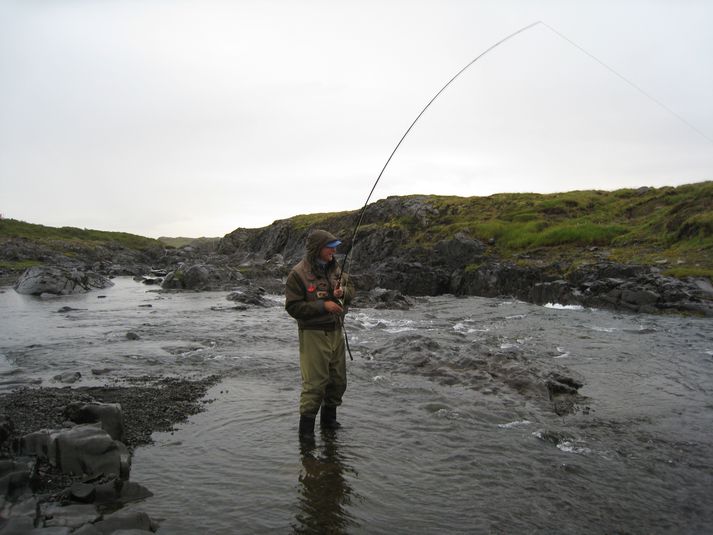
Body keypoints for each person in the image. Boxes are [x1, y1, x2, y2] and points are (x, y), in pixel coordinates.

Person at [285, 229, 354, 437]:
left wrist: (344, 293)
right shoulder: (297, 274)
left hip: (335, 332)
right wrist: (324, 306)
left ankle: (328, 424)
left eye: (334, 247)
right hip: (313, 334)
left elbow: (351, 289)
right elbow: (293, 308)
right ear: (317, 249)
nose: (334, 251)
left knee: (337, 381)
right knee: (315, 385)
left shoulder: (335, 268)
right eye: (329, 247)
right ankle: (306, 437)